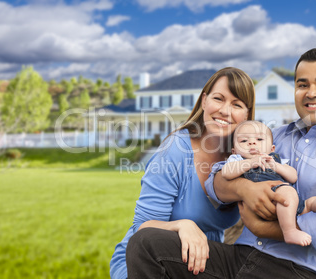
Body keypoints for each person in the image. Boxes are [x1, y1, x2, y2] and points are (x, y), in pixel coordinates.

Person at [126, 47, 316, 279]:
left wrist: (262, 226)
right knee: (147, 244)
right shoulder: (274, 136)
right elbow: (215, 183)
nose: (311, 93)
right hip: (239, 258)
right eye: (302, 84)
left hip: (298, 271)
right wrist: (244, 189)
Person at [110, 67, 274, 278]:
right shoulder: (175, 150)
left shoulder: (244, 156)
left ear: (246, 114)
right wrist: (182, 225)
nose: (225, 110)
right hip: (147, 261)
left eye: (237, 104)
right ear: (204, 100)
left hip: (201, 262)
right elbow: (142, 227)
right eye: (218, 98)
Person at [222, 120, 316, 246]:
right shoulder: (237, 160)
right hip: (270, 199)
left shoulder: (274, 160)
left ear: (271, 149)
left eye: (259, 139)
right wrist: (250, 163)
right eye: (243, 141)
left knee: (309, 203)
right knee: (288, 191)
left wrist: (276, 166)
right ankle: (289, 231)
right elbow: (226, 172)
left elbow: (293, 176)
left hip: (288, 202)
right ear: (234, 151)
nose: (252, 143)